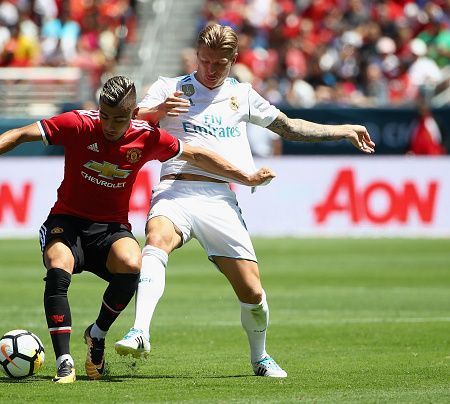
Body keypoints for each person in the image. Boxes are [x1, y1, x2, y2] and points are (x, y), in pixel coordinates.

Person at [0, 75, 277, 383]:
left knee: (132, 263)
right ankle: (63, 361)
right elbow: (20, 133)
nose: (111, 126)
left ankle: (96, 335)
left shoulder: (145, 136)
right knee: (59, 265)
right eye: (107, 117)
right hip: (67, 221)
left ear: (133, 112)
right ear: (99, 109)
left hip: (110, 228)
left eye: (120, 119)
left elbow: (194, 154)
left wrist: (244, 177)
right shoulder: (79, 123)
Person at [114, 24, 375, 378]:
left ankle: (260, 357)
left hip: (220, 198)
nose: (209, 69)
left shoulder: (243, 95)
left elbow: (289, 126)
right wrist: (157, 110)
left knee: (252, 290)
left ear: (233, 60)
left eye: (219, 64)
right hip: (175, 188)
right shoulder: (169, 87)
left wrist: (341, 130)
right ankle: (139, 330)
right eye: (204, 60)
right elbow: (121, 122)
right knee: (156, 239)